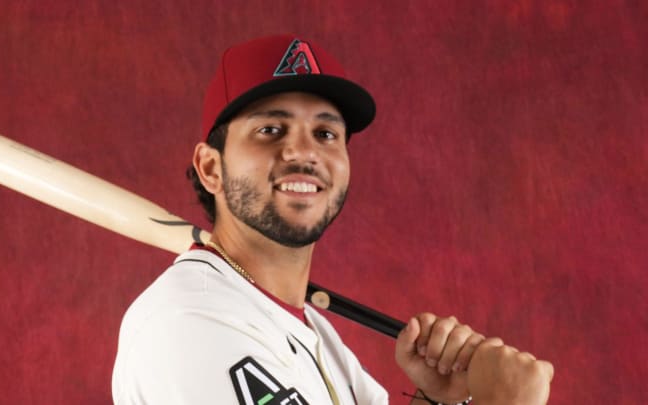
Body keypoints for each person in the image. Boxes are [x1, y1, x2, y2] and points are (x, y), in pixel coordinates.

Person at [112, 34, 553, 405]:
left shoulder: (310, 328)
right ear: (211, 168)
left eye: (325, 134)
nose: (304, 153)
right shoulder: (188, 324)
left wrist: (438, 399)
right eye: (270, 130)